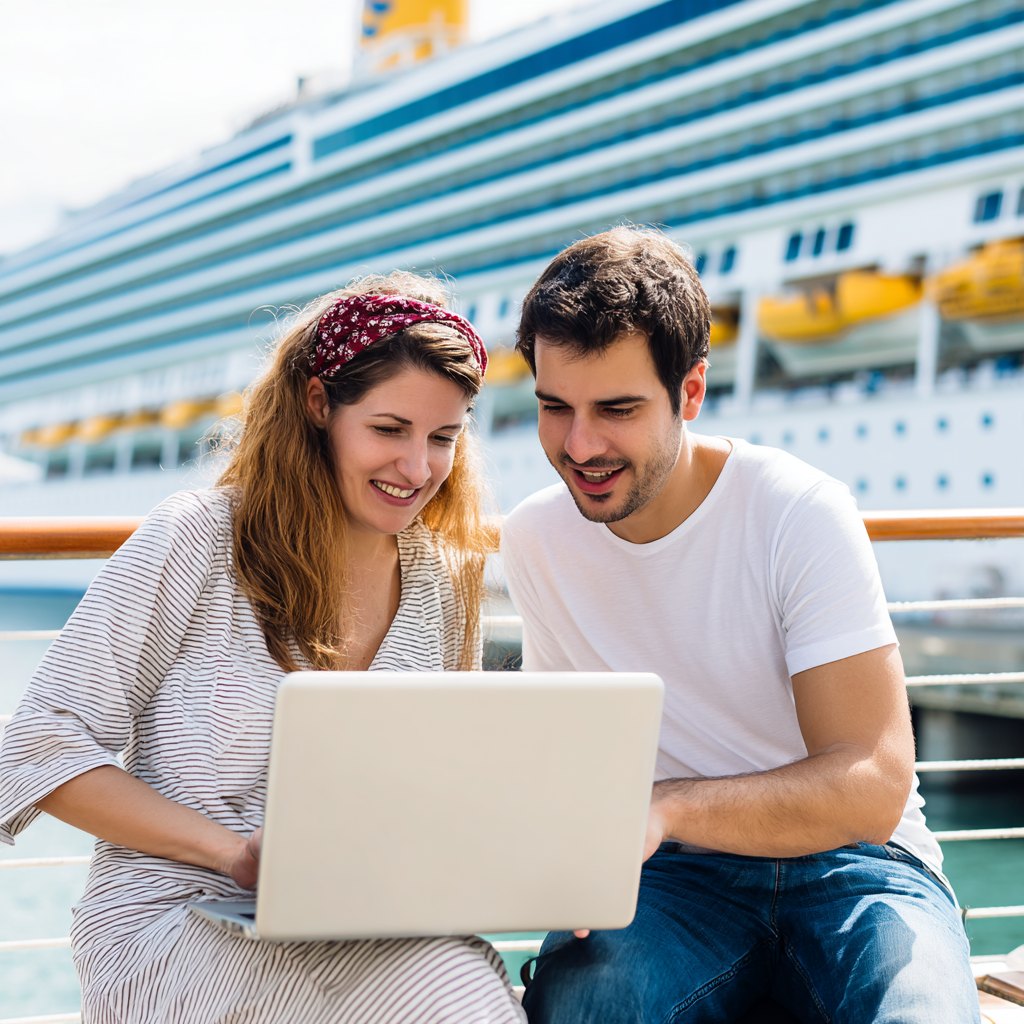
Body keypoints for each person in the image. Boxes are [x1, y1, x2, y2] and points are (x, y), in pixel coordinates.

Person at [0, 273, 526, 1024]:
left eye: (443, 438)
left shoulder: (443, 579)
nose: (418, 470)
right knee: (439, 995)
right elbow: (37, 749)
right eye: (388, 429)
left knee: (459, 978)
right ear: (319, 405)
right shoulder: (198, 538)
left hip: (356, 921)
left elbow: (443, 785)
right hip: (175, 920)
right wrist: (235, 855)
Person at [500, 228, 979, 1023]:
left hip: (856, 869)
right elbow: (567, 758)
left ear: (689, 394)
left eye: (616, 409)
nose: (579, 446)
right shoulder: (538, 538)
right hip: (671, 881)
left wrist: (666, 807)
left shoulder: (796, 510)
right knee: (590, 1009)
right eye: (556, 408)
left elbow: (873, 783)